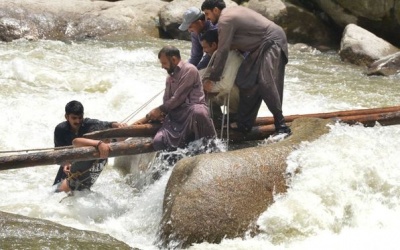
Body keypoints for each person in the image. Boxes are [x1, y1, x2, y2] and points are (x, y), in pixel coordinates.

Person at [201, 0, 291, 135]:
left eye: (207, 14)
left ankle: (281, 124)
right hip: (260, 47)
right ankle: (245, 124)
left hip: (272, 41)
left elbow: (222, 50)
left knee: (266, 82)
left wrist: (212, 79)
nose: (207, 18)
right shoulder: (230, 15)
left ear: (215, 10)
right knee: (245, 80)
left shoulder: (225, 19)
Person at [134, 45, 216, 151]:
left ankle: (212, 148)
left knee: (198, 112)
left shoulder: (190, 70)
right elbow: (167, 100)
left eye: (164, 63)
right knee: (159, 141)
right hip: (176, 116)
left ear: (173, 59)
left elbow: (179, 97)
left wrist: (159, 110)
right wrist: (160, 114)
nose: (162, 67)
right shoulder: (169, 78)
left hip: (191, 111)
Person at [53, 100, 127, 187]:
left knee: (82, 191)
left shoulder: (89, 124)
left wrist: (117, 125)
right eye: (74, 118)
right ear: (66, 117)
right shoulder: (60, 129)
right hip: (69, 165)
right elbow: (57, 153)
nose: (78, 121)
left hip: (86, 164)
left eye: (80, 117)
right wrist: (65, 163)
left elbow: (107, 124)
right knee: (56, 191)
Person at [200, 28, 243, 127]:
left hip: (240, 99)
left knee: (213, 89)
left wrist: (209, 88)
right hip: (228, 94)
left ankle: (234, 117)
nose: (204, 51)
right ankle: (216, 120)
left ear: (214, 45)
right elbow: (207, 72)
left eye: (205, 47)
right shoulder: (218, 56)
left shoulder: (233, 56)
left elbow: (226, 85)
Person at [55, 123, 112, 193]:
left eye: (110, 139)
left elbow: (123, 140)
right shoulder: (88, 151)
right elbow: (75, 141)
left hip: (83, 191)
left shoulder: (108, 150)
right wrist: (99, 143)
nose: (109, 142)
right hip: (66, 189)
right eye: (106, 139)